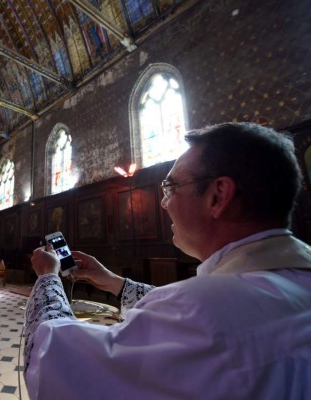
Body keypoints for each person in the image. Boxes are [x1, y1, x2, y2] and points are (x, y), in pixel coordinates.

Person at [23, 122, 311, 399]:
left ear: (218, 195)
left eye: (170, 188)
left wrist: (49, 276)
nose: (163, 203)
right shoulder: (292, 280)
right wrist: (111, 281)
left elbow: (58, 363)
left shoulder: (198, 309)